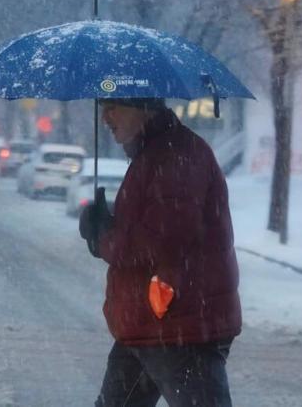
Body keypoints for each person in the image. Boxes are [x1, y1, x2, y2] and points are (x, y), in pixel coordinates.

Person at [79, 98, 241, 407]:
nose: (105, 118)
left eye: (113, 107)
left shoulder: (176, 156)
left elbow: (163, 240)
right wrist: (110, 220)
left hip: (179, 325)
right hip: (150, 321)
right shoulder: (156, 153)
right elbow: (158, 225)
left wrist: (103, 238)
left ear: (143, 107)